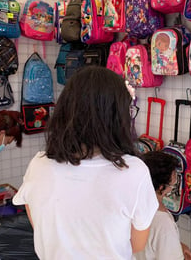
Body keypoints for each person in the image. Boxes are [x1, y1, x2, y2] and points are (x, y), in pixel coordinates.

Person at [13, 66, 158, 260]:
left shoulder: (39, 164)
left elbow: (39, 223)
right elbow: (137, 244)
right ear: (118, 116)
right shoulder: (133, 171)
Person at [134, 151, 191, 260]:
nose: (173, 187)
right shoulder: (163, 223)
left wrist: (177, 245)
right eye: (173, 184)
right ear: (161, 188)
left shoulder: (129, 206)